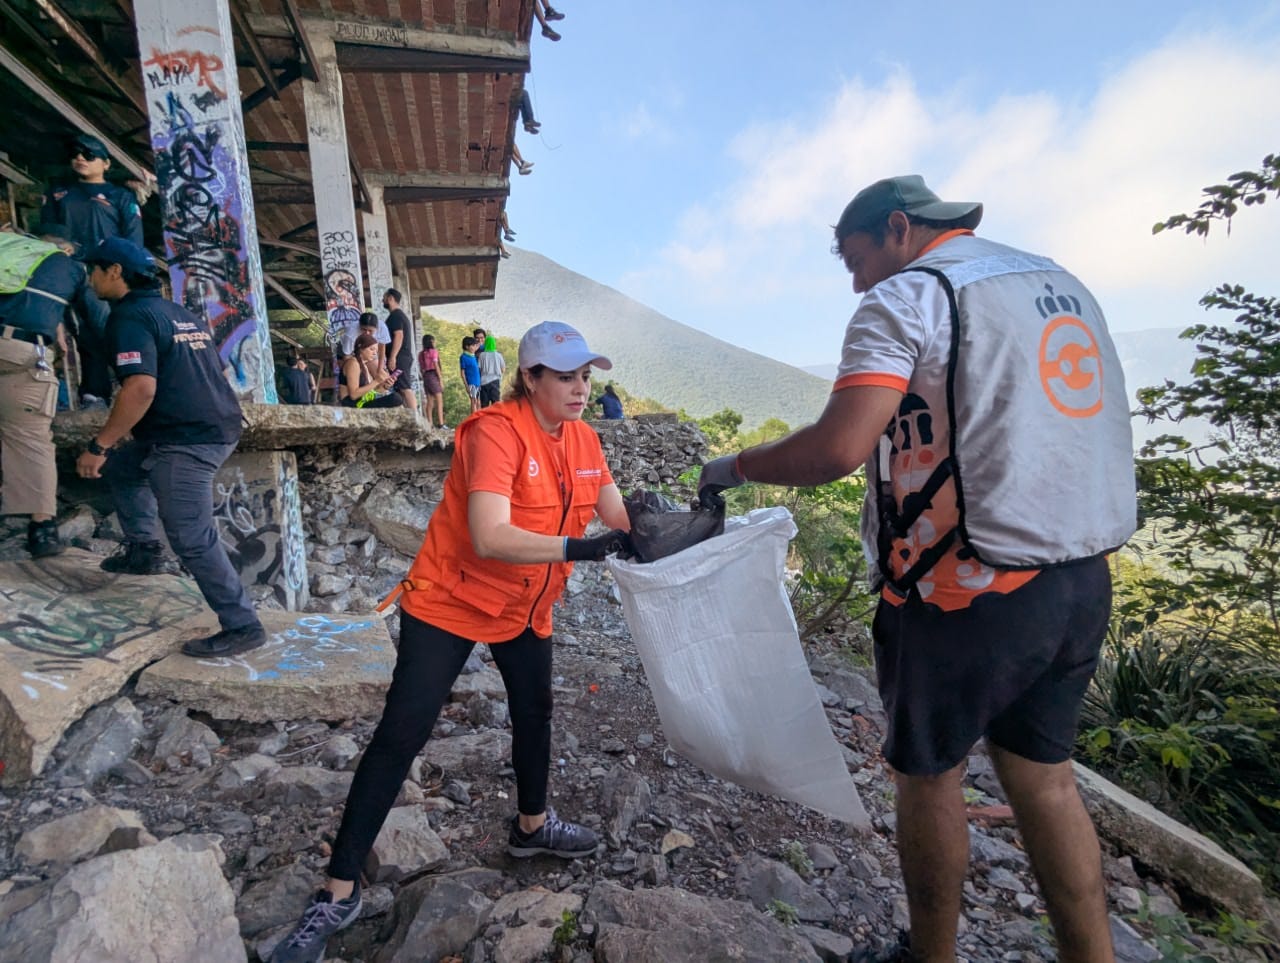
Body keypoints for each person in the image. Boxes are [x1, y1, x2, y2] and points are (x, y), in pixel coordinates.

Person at [699, 176, 1135, 963]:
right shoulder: (1056, 283)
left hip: (964, 590)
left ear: (899, 228)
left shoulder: (910, 296)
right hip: (1078, 576)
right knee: (1046, 779)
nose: (860, 281)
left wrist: (733, 465)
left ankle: (930, 956)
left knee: (928, 776)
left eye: (859, 259)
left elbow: (839, 447)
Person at [271, 320, 631, 963]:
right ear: (531, 378)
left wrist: (671, 527)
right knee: (402, 732)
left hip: (525, 605)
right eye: (567, 377)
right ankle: (339, 890)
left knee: (536, 711)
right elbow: (490, 534)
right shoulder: (494, 432)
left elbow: (616, 514)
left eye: (586, 377)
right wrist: (583, 547)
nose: (581, 389)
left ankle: (531, 826)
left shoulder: (582, 438)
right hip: (451, 601)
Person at [75, 238, 267, 658]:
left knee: (191, 536)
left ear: (115, 272)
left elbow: (140, 387)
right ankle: (143, 550)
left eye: (94, 270)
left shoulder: (129, 317)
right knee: (126, 470)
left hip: (187, 440)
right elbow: (214, 368)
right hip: (205, 428)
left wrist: (100, 443)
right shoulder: (178, 313)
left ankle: (242, 625)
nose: (89, 278)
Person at [0, 224, 89, 558]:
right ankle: (42, 529)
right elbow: (93, 320)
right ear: (65, 249)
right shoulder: (68, 267)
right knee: (31, 438)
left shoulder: (8, 252)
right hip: (22, 355)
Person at [41, 133, 144, 407]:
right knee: (77, 332)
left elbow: (133, 242)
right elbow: (47, 234)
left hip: (103, 272)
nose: (80, 158)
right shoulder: (58, 191)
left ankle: (127, 388)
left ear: (106, 164)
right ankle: (93, 392)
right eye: (76, 153)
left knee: (106, 329)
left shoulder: (120, 196)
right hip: (64, 271)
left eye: (89, 155)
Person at [338, 333, 404, 410]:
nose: (374, 353)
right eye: (371, 349)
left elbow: (370, 393)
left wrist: (384, 386)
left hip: (360, 401)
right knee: (395, 398)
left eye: (376, 350)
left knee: (396, 397)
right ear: (361, 348)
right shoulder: (353, 363)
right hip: (351, 403)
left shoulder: (364, 365)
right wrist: (376, 381)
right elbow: (354, 395)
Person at [381, 288, 416, 411]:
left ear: (390, 298)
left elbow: (399, 335)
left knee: (405, 387)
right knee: (399, 389)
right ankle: (408, 416)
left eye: (384, 298)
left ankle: (415, 418)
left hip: (400, 358)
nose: (382, 301)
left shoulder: (396, 316)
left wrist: (392, 357)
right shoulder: (399, 316)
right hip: (401, 357)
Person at [417, 333, 445, 428]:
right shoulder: (433, 352)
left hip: (426, 376)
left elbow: (421, 368)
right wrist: (440, 379)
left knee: (430, 401)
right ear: (431, 341)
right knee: (439, 400)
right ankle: (441, 424)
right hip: (433, 375)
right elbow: (436, 365)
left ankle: (430, 424)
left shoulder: (421, 354)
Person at [478, 334, 506, 407]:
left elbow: (480, 368)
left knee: (484, 405)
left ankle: (484, 418)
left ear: (485, 343)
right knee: (496, 405)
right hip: (495, 381)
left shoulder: (482, 355)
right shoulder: (498, 355)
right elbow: (503, 369)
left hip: (483, 382)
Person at [459, 336, 481, 413]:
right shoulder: (464, 357)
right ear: (467, 346)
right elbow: (462, 373)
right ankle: (474, 419)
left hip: (478, 382)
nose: (475, 347)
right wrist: (466, 386)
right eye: (473, 345)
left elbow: (478, 346)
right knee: (473, 401)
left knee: (478, 402)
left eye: (475, 345)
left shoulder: (472, 355)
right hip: (471, 383)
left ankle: (479, 419)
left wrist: (480, 341)